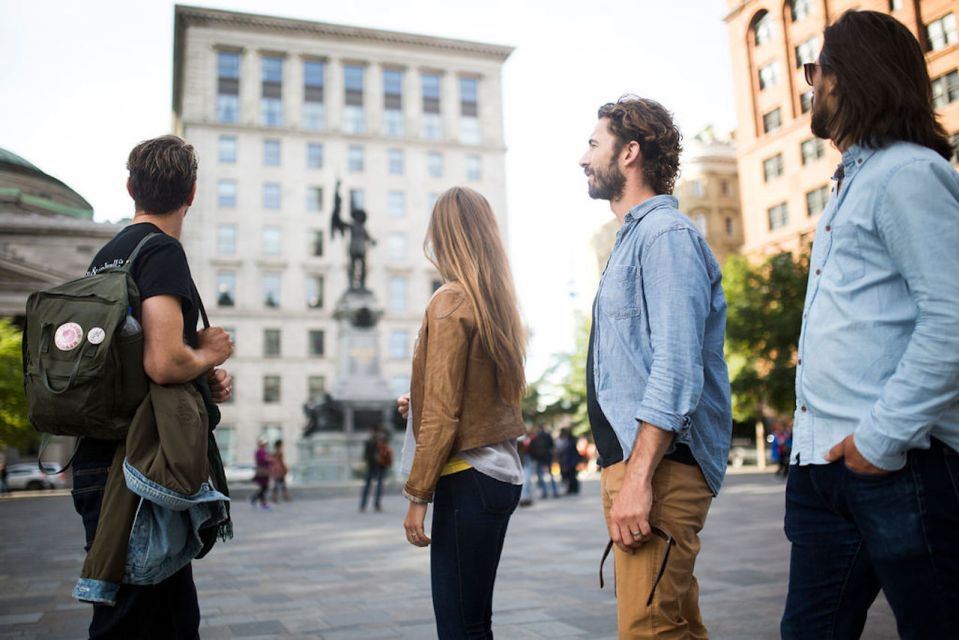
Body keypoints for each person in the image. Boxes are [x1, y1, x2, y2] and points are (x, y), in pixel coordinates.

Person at [781, 11, 959, 639]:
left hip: (896, 464)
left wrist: (879, 441)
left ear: (847, 77)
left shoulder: (909, 174)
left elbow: (952, 322)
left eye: (815, 70)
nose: (810, 85)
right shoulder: (851, 185)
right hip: (824, 468)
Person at [579, 96, 731, 638]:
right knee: (674, 628)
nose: (584, 157)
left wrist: (638, 478)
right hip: (643, 466)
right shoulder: (633, 240)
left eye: (594, 144)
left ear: (630, 154)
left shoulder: (664, 237)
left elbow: (676, 366)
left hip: (660, 469)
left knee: (649, 630)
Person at [71, 135, 234, 639]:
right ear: (192, 193)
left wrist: (201, 375)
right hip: (138, 468)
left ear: (129, 188)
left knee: (172, 621)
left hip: (102, 457)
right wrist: (210, 352)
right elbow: (164, 362)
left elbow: (132, 359)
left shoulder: (107, 255)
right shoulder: (160, 250)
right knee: (129, 622)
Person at [397, 186, 527, 638]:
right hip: (499, 476)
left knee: (459, 629)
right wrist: (418, 400)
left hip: (464, 475)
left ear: (443, 236)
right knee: (476, 624)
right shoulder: (496, 303)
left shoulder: (448, 301)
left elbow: (445, 414)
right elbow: (480, 393)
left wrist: (418, 496)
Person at [360, 426, 390, 512]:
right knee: (367, 486)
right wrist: (374, 458)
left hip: (381, 467)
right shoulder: (369, 442)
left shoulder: (383, 440)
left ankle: (377, 504)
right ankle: (363, 505)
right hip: (372, 466)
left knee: (379, 487)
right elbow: (365, 455)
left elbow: (389, 434)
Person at [529, 425, 559, 499]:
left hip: (539, 458)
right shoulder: (547, 435)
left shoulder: (535, 437)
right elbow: (552, 446)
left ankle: (545, 492)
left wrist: (534, 457)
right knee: (551, 475)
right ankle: (555, 491)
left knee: (540, 475)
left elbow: (531, 448)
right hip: (548, 457)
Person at [557, 427, 583, 495]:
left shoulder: (570, 441)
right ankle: (572, 488)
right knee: (570, 476)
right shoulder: (569, 441)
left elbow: (571, 452)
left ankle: (573, 488)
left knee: (572, 476)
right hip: (570, 461)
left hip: (571, 461)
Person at [251, 438, 271, 510]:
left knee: (264, 487)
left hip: (263, 471)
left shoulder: (261, 451)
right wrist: (269, 460)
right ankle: (258, 500)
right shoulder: (260, 451)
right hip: (263, 471)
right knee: (264, 487)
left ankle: (259, 501)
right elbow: (262, 460)